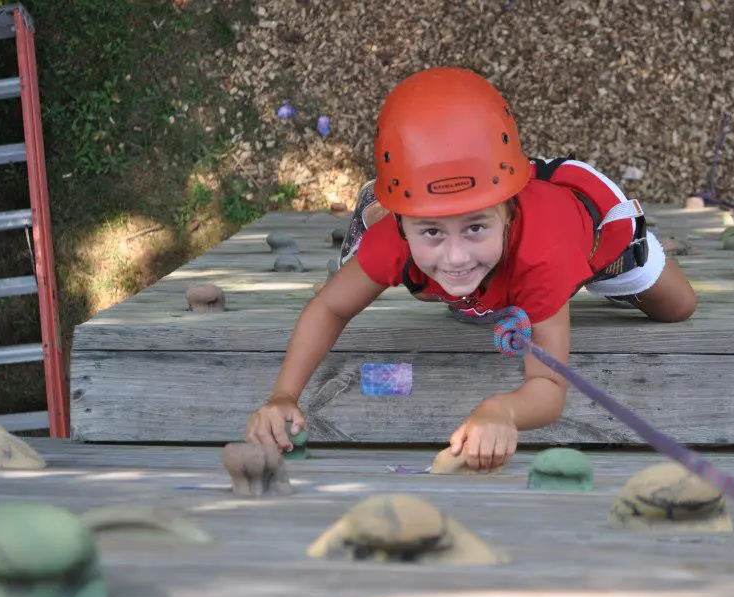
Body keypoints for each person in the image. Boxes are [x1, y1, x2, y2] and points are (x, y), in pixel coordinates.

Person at [245, 66, 697, 470]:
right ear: (402, 222)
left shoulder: (546, 259)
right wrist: (283, 394)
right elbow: (330, 308)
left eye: (475, 227)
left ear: (510, 212)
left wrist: (503, 410)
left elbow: (548, 387)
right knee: (442, 283)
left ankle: (604, 272)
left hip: (593, 229)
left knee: (678, 306)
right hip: (485, 240)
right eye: (432, 231)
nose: (456, 256)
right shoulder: (397, 244)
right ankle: (379, 210)